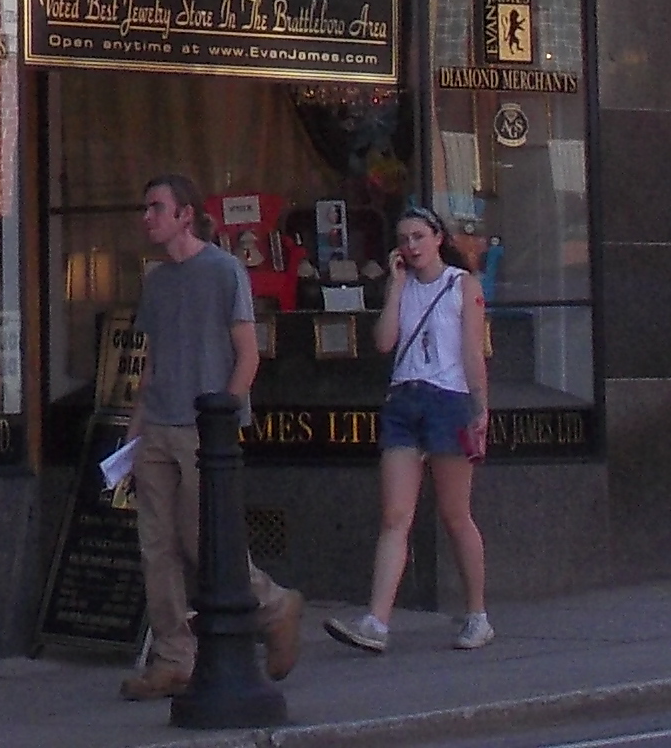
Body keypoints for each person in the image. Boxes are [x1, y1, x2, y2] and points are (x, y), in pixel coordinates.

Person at [119, 175, 303, 702]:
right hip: (158, 424)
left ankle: (273, 605)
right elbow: (152, 362)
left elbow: (248, 353)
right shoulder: (155, 281)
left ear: (185, 215)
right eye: (146, 207)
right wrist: (133, 434)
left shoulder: (224, 271)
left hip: (204, 428)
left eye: (157, 207)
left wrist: (222, 416)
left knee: (208, 541)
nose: (147, 217)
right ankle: (176, 658)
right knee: (157, 547)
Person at [328, 205, 492, 656]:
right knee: (394, 515)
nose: (411, 246)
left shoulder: (463, 285)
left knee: (455, 513)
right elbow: (383, 342)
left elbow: (473, 353)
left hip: (448, 400)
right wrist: (395, 288)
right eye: (404, 239)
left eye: (419, 236)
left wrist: (480, 409)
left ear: (438, 237)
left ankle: (477, 613)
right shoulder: (401, 285)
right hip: (404, 399)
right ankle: (377, 621)